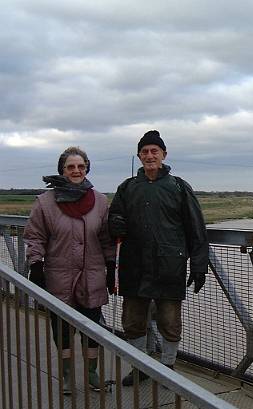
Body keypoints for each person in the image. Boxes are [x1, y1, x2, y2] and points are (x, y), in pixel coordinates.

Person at [108, 130, 208, 386]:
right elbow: (114, 217)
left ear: (164, 154)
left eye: (155, 151)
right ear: (139, 156)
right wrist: (116, 223)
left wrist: (199, 265)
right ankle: (140, 366)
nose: (149, 155)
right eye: (145, 151)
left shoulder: (178, 187)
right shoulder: (127, 187)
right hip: (134, 266)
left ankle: (167, 367)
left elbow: (196, 228)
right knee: (132, 321)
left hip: (169, 265)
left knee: (170, 321)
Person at [24, 146, 115, 394]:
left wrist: (111, 266)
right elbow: (35, 236)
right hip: (59, 274)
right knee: (62, 329)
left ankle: (92, 374)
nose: (76, 171)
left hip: (92, 274)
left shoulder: (100, 201)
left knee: (93, 327)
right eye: (70, 167)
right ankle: (66, 376)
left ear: (87, 169)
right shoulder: (45, 202)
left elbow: (106, 238)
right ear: (62, 171)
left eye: (81, 166)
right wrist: (36, 265)